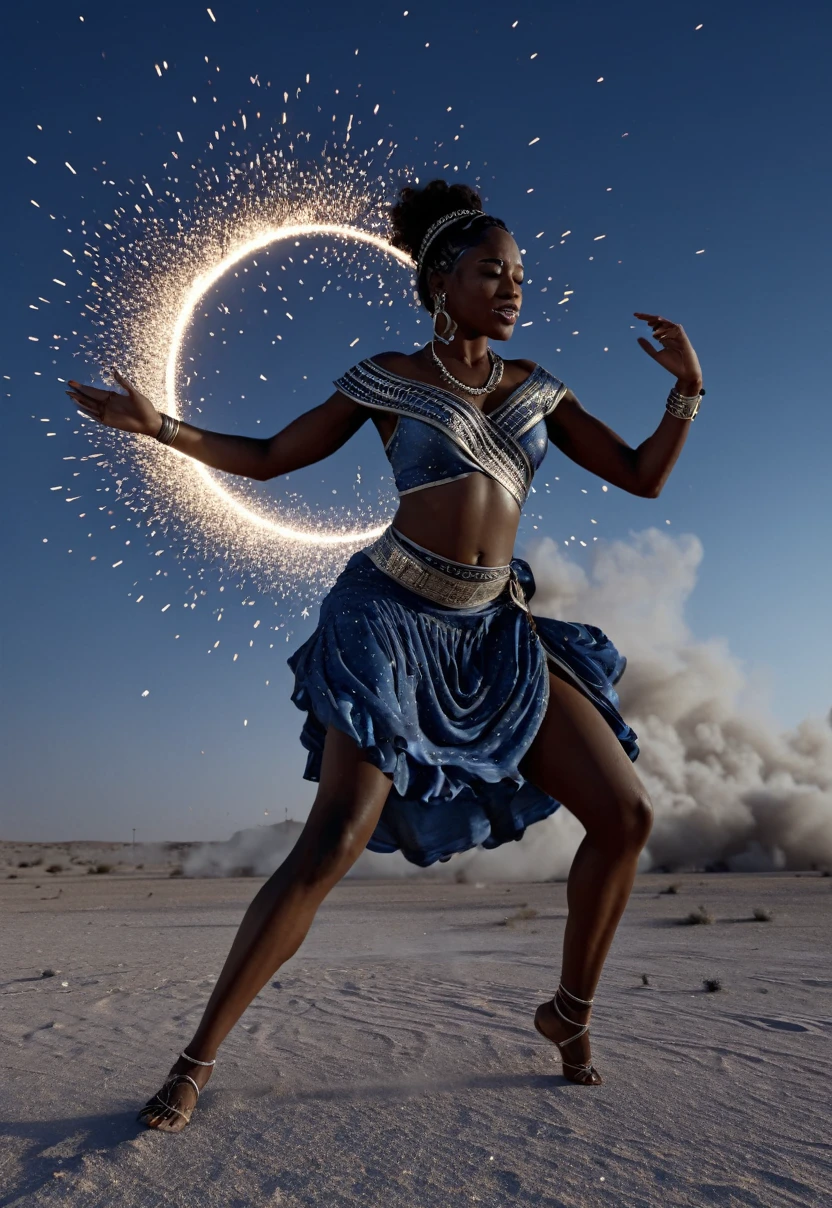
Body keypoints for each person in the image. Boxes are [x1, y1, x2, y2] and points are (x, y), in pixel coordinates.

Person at [66, 179, 704, 1131]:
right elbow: (274, 456)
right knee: (331, 840)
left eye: (521, 274)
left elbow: (645, 480)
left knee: (627, 812)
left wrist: (686, 388)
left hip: (494, 633)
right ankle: (196, 1060)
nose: (514, 287)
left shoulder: (537, 387)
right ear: (439, 282)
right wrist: (158, 425)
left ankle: (567, 1015)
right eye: (493, 270)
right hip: (388, 623)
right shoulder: (385, 379)